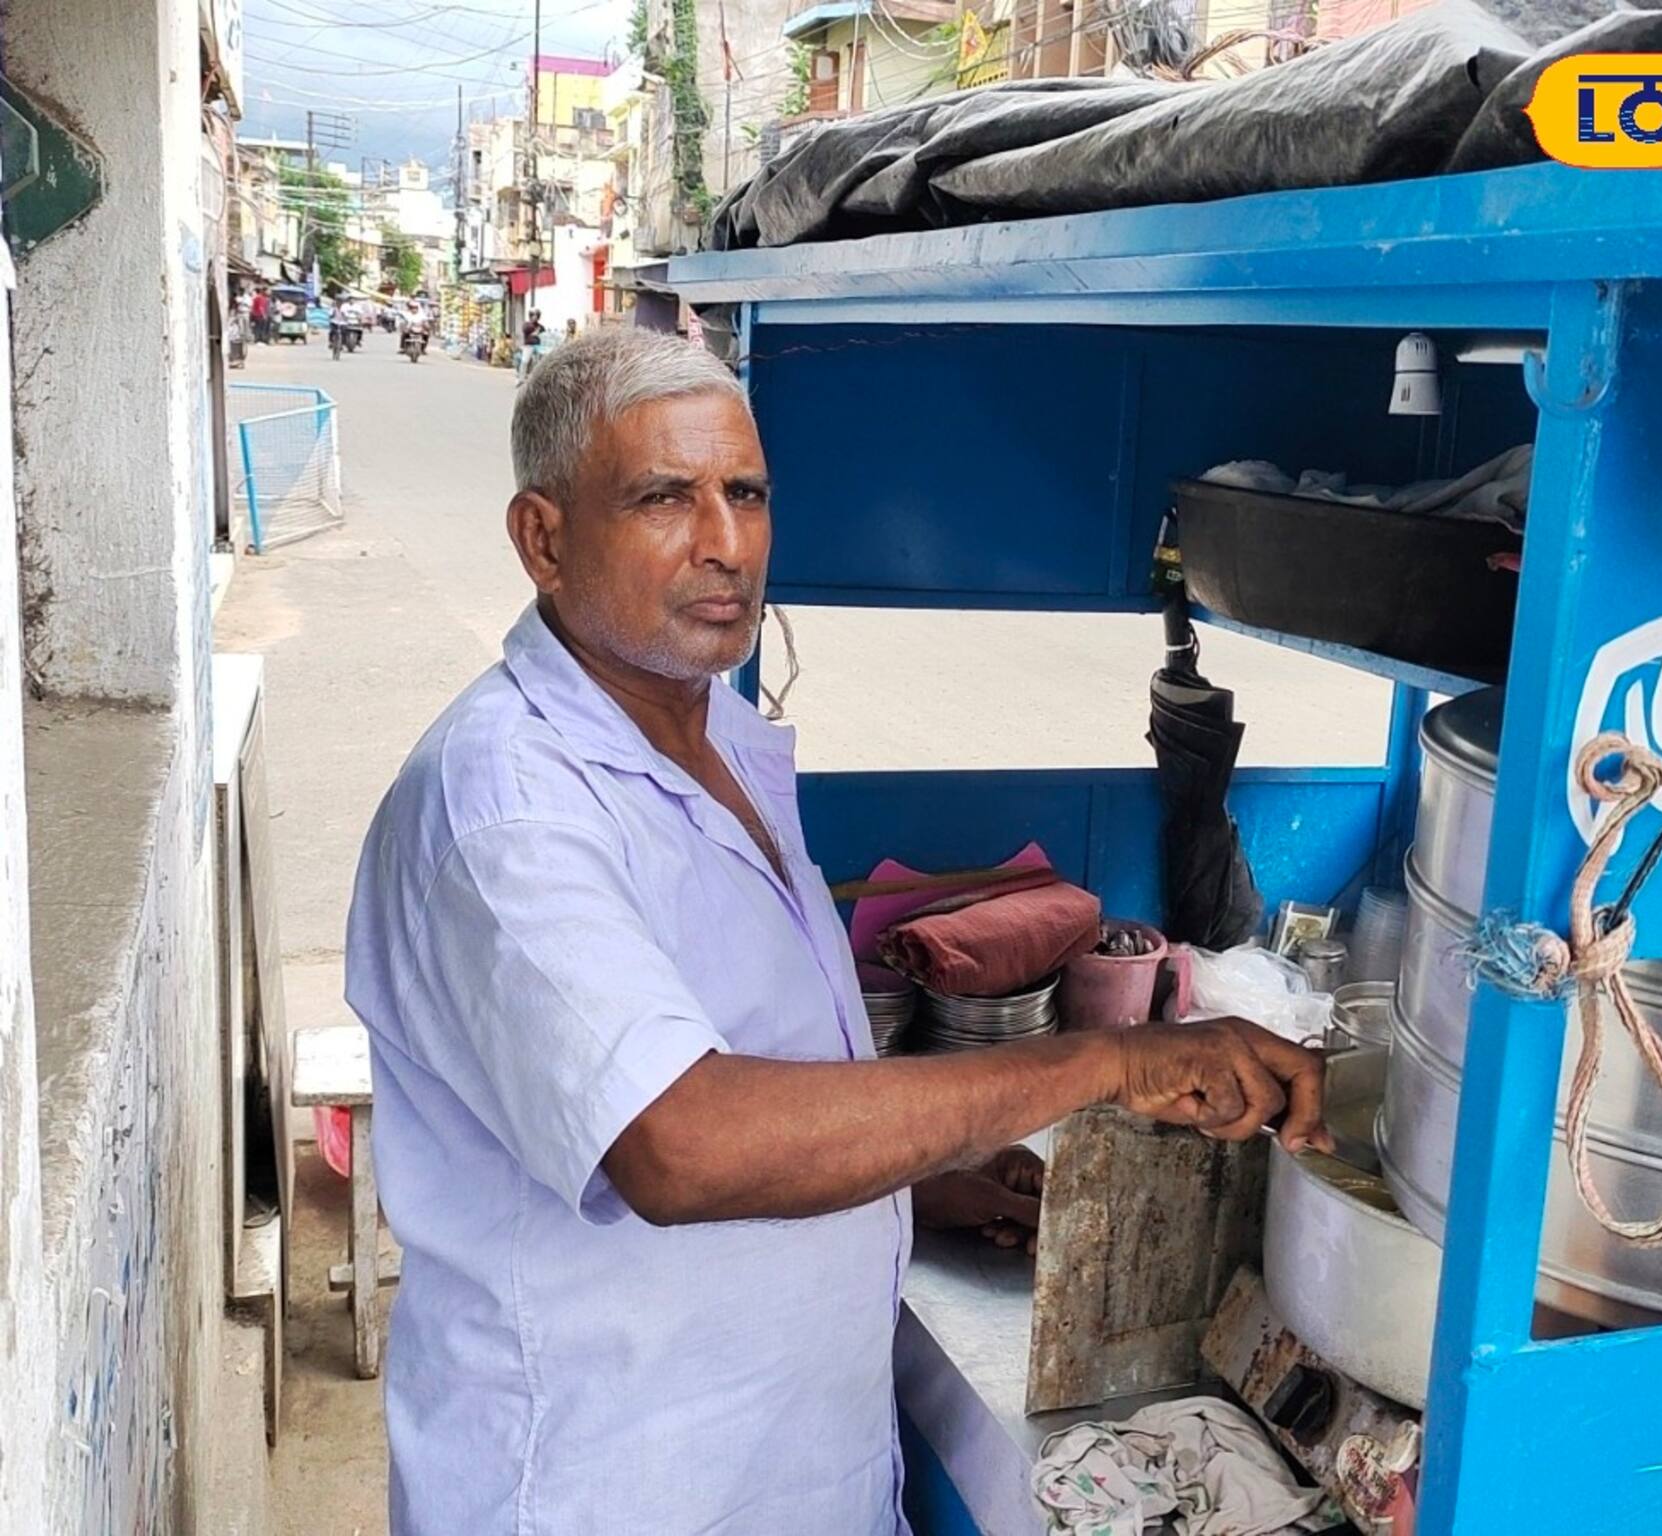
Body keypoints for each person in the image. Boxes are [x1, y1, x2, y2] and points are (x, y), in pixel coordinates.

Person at [344, 329, 1331, 1536]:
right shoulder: (504, 805)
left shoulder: (709, 735)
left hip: (784, 1473)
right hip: (607, 1487)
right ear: (543, 538)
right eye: (663, 498)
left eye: (745, 494)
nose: (725, 544)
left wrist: (921, 1179)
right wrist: (1103, 1065)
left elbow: (770, 1069)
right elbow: (682, 1143)